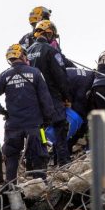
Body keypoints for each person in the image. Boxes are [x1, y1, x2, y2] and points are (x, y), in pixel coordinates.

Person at [0, 44, 56, 181]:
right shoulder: (35, 73)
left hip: (13, 125)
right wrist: (47, 119)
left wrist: (2, 111)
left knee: (11, 157)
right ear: (22, 55)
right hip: (35, 125)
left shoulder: (4, 76)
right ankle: (40, 185)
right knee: (39, 155)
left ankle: (11, 187)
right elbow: (46, 99)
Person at [26, 20, 72, 166]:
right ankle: (62, 162)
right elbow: (61, 76)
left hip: (34, 98)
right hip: (52, 96)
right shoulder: (51, 51)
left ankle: (35, 164)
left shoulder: (27, 53)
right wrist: (66, 96)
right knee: (60, 126)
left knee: (39, 131)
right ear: (49, 32)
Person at [65, 67, 95, 149]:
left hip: (82, 87)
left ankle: (68, 145)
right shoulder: (87, 78)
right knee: (81, 118)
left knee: (80, 119)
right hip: (83, 85)